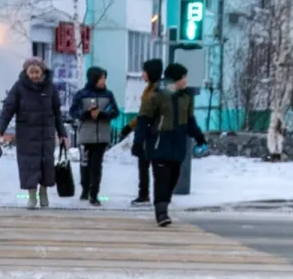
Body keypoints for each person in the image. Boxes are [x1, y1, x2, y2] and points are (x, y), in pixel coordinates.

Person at [0, 57, 66, 209]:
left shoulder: (50, 88)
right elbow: (8, 109)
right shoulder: (19, 87)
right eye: (31, 72)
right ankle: (31, 195)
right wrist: (0, 129)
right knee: (28, 166)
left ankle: (43, 191)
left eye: (37, 72)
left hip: (45, 134)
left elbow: (57, 112)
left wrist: (62, 133)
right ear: (26, 72)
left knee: (46, 165)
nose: (34, 75)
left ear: (42, 72)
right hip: (26, 135)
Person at [142, 62, 201, 227]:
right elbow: (144, 118)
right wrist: (139, 141)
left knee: (173, 179)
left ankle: (164, 206)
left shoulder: (186, 97)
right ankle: (161, 213)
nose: (186, 80)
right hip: (160, 143)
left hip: (178, 144)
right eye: (183, 77)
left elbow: (190, 121)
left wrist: (199, 137)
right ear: (176, 79)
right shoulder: (158, 95)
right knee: (161, 179)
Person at [69, 66, 118, 206]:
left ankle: (94, 193)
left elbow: (115, 111)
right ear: (94, 79)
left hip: (102, 135)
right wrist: (85, 115)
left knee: (96, 165)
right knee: (85, 163)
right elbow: (73, 111)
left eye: (104, 78)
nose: (103, 81)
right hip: (85, 134)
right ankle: (85, 188)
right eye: (101, 78)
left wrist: (103, 115)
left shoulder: (108, 95)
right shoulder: (82, 94)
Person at [126, 59, 163, 206]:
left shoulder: (154, 92)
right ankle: (145, 194)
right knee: (145, 164)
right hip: (150, 132)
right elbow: (142, 114)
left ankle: (150, 196)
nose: (142, 74)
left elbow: (144, 117)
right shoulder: (149, 89)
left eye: (145, 71)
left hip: (152, 134)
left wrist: (137, 139)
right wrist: (130, 126)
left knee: (152, 166)